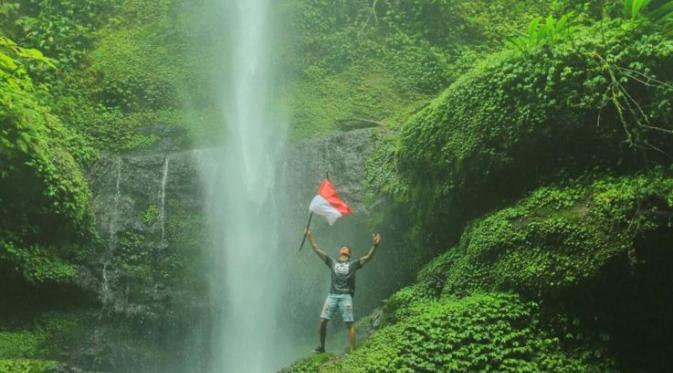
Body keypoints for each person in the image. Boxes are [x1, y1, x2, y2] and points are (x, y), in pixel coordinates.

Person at [304, 229, 382, 353]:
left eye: (347, 248)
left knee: (350, 323)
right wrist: (309, 236)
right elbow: (316, 249)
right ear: (340, 251)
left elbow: (368, 258)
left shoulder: (353, 264)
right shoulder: (332, 262)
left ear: (349, 254)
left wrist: (375, 246)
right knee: (323, 321)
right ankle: (322, 347)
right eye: (343, 247)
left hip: (346, 296)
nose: (344, 248)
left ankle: (352, 350)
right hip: (332, 295)